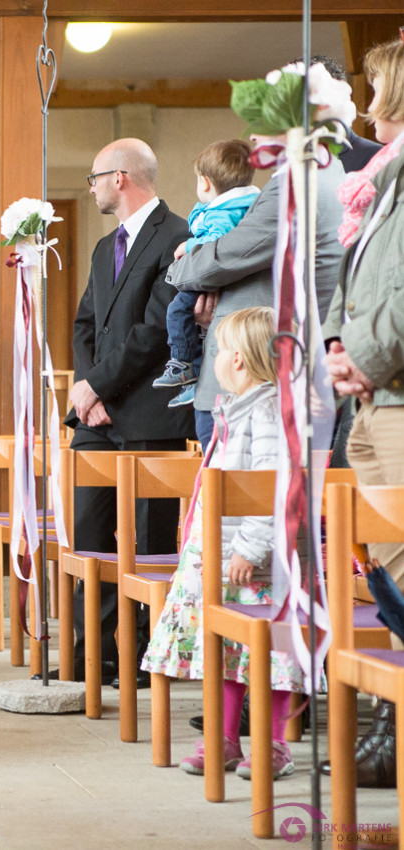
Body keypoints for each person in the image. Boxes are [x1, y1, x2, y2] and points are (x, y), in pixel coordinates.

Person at [140, 307, 301, 779]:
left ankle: (273, 745)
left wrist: (250, 549)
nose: (210, 358)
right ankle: (225, 738)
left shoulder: (269, 411)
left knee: (270, 654)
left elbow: (274, 485)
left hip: (256, 563)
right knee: (226, 651)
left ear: (239, 362)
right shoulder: (237, 408)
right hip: (221, 553)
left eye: (215, 349)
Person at [58, 138, 194, 686]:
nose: (90, 188)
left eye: (94, 178)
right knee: (90, 534)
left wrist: (99, 387)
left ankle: (145, 658)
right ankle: (93, 655)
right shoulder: (101, 247)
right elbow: (84, 325)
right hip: (97, 415)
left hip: (148, 413)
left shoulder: (177, 236)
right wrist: (87, 390)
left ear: (120, 178)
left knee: (148, 541)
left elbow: (158, 330)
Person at [321, 35, 404, 789]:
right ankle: (392, 728)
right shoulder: (383, 176)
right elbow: (359, 277)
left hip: (392, 390)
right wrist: (337, 344)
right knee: (383, 560)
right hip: (372, 395)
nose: (365, 98)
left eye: (374, 85)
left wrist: (362, 358)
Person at [167, 134, 346, 448]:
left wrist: (178, 267)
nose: (253, 134)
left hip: (249, 385)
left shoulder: (295, 186)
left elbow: (220, 259)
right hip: (253, 373)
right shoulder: (316, 176)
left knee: (236, 492)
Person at [153, 140, 259, 408]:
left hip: (213, 279)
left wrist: (187, 246)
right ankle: (194, 380)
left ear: (206, 183)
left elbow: (216, 242)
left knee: (177, 311)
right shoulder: (246, 205)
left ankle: (181, 363)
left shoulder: (223, 212)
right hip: (228, 283)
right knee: (202, 332)